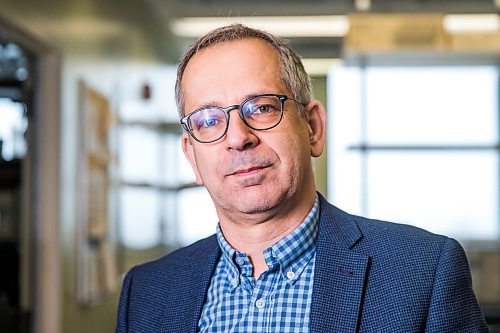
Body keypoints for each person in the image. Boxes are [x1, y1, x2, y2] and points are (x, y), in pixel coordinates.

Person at [115, 23, 488, 333]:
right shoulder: (146, 294)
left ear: (312, 127)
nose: (238, 137)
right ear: (191, 155)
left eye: (261, 107)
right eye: (209, 120)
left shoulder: (421, 273)